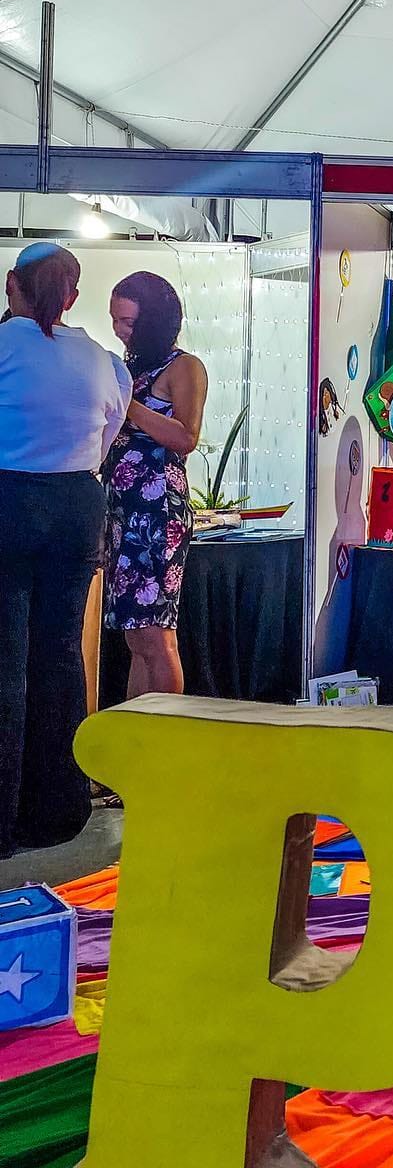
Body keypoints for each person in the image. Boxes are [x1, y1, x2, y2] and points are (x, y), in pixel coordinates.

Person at [0, 244, 130, 859]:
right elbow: (107, 436)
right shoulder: (101, 359)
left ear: (12, 285)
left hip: (9, 499)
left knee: (5, 659)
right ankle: (57, 811)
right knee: (59, 656)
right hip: (78, 504)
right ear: (73, 295)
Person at [104, 271, 208, 699]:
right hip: (124, 511)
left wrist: (127, 406)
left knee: (156, 635)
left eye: (128, 322)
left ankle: (167, 727)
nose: (119, 330)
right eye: (114, 320)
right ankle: (137, 726)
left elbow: (186, 436)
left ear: (154, 320)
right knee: (136, 637)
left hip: (158, 509)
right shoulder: (131, 367)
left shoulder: (184, 366)